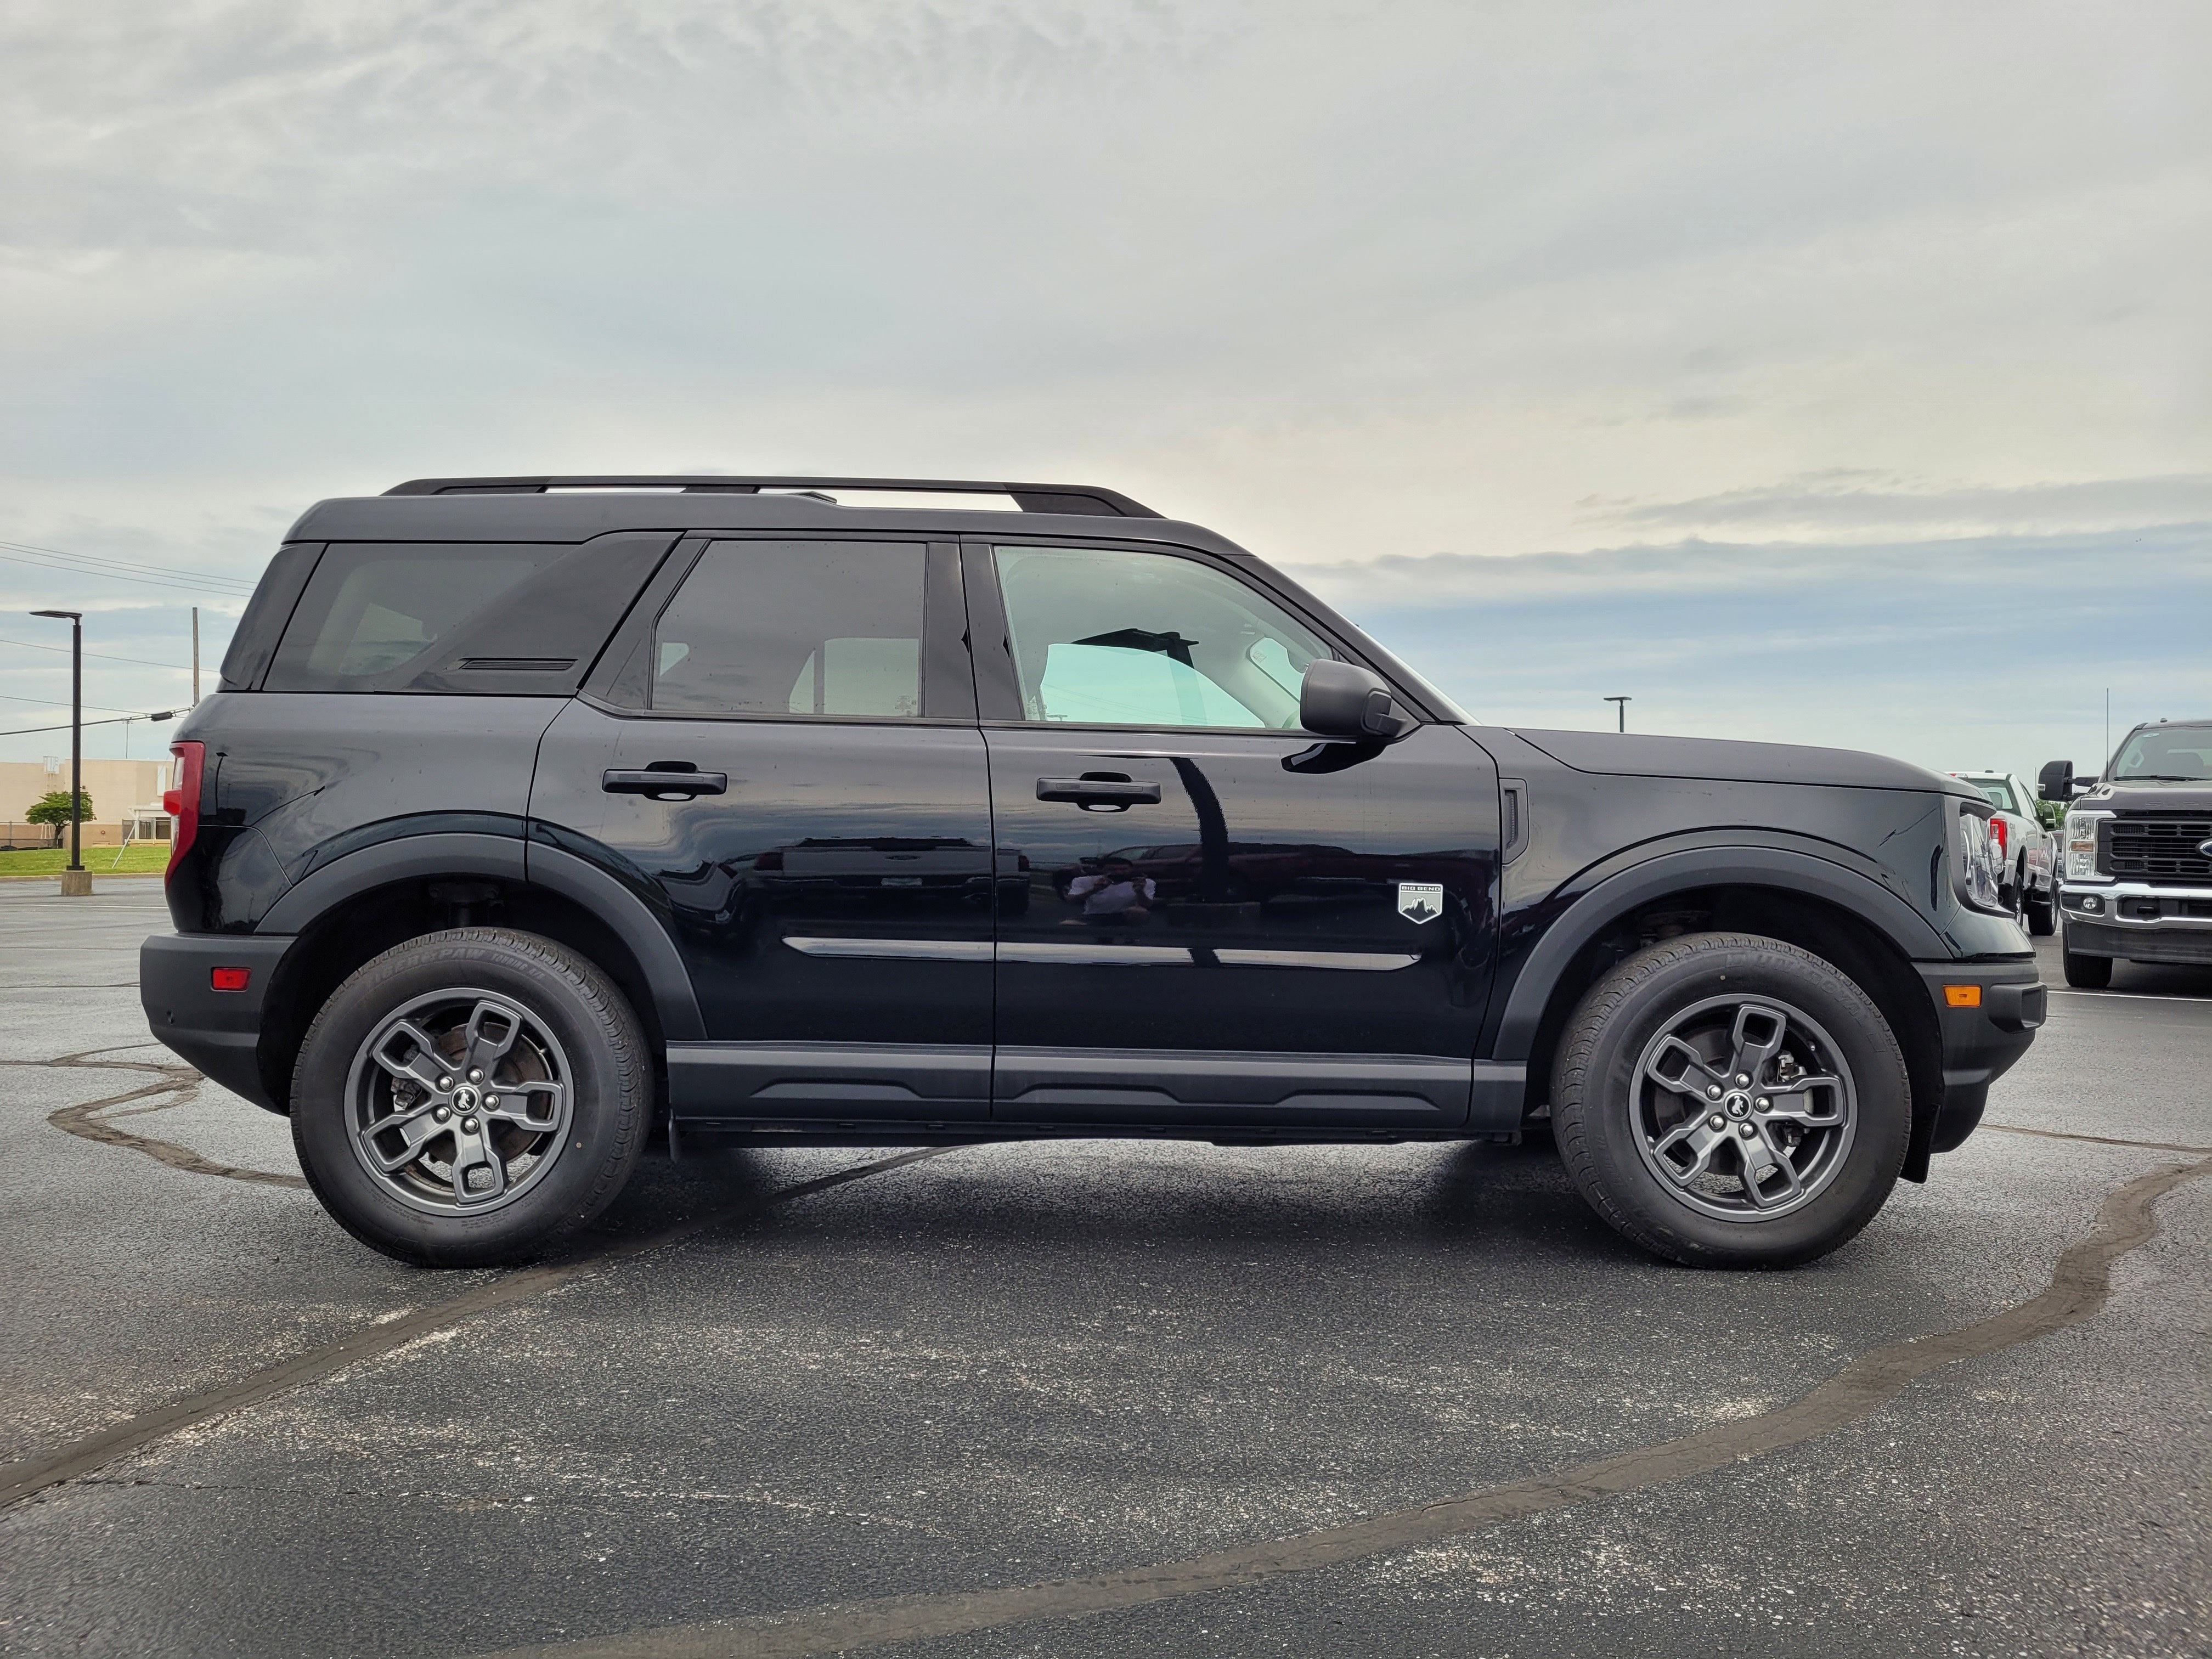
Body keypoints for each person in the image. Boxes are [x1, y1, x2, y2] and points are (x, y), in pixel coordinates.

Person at [1066, 856, 1156, 926]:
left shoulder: (1143, 882)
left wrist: (1140, 891)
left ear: (1131, 869)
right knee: (1067, 925)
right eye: (1113, 870)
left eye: (1124, 869)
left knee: (1139, 912)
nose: (1119, 873)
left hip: (1125, 916)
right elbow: (1071, 900)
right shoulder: (1084, 881)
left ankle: (1132, 938)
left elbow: (1147, 905)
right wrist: (1094, 890)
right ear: (1102, 870)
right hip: (1094, 916)